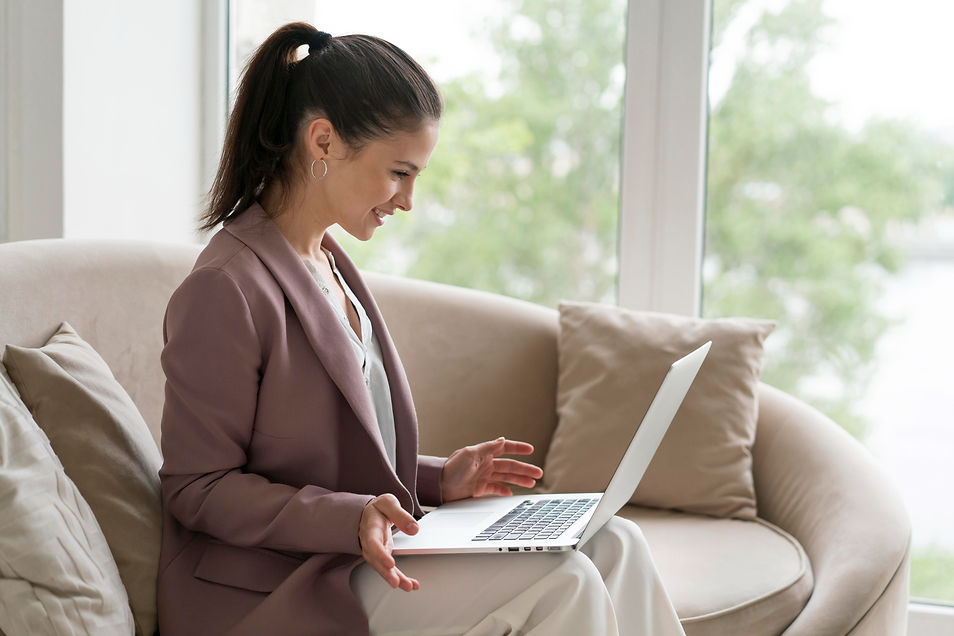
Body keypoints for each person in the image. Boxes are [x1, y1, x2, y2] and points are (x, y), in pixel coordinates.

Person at [156, 22, 686, 636]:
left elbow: (333, 454)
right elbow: (197, 488)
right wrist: (349, 518)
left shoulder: (329, 262)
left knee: (617, 541)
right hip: (271, 587)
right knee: (562, 579)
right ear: (323, 140)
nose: (407, 200)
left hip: (355, 554)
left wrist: (439, 479)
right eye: (399, 172)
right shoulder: (225, 288)